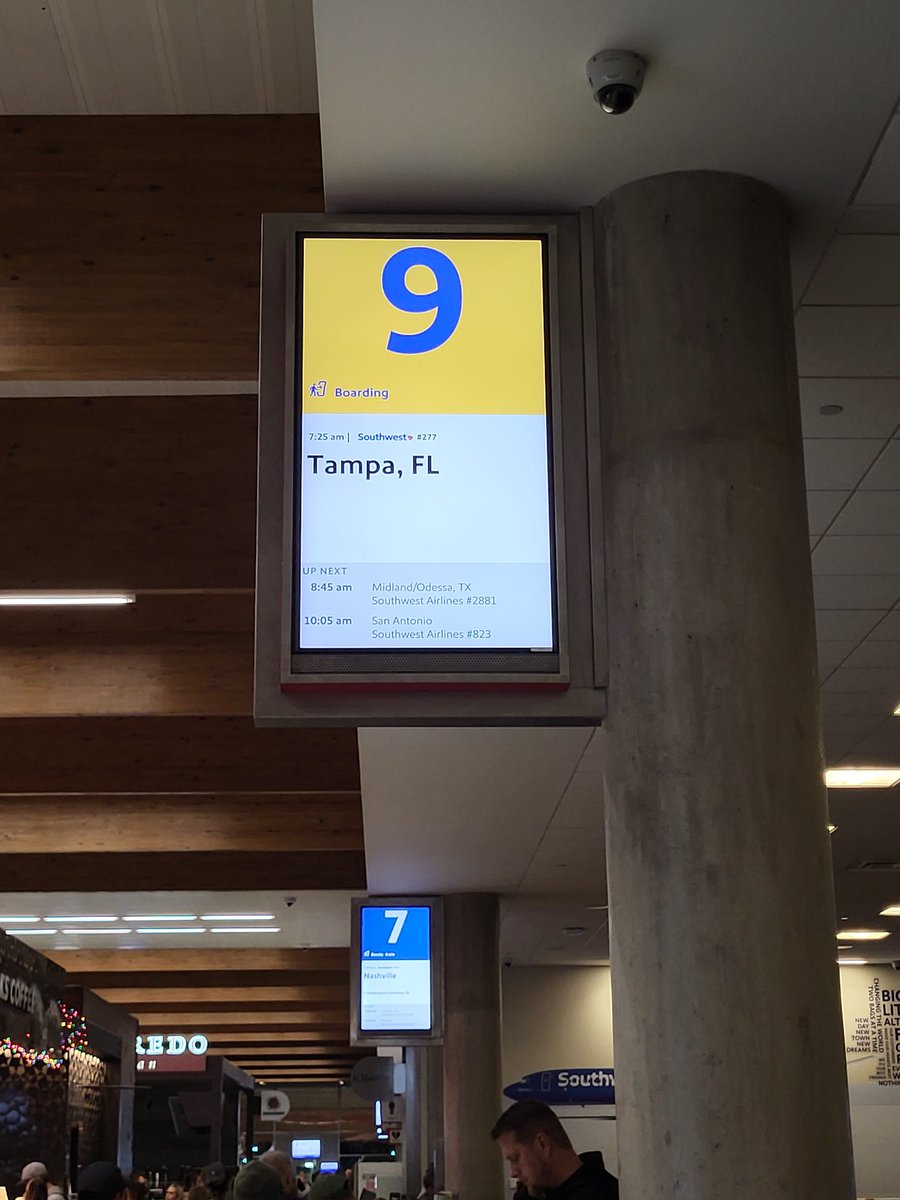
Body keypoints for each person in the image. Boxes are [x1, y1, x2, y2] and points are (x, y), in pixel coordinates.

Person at [491, 1100, 618, 1199]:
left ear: (542, 1144)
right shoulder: (533, 1193)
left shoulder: (601, 1193)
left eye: (515, 1158)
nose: (513, 1172)